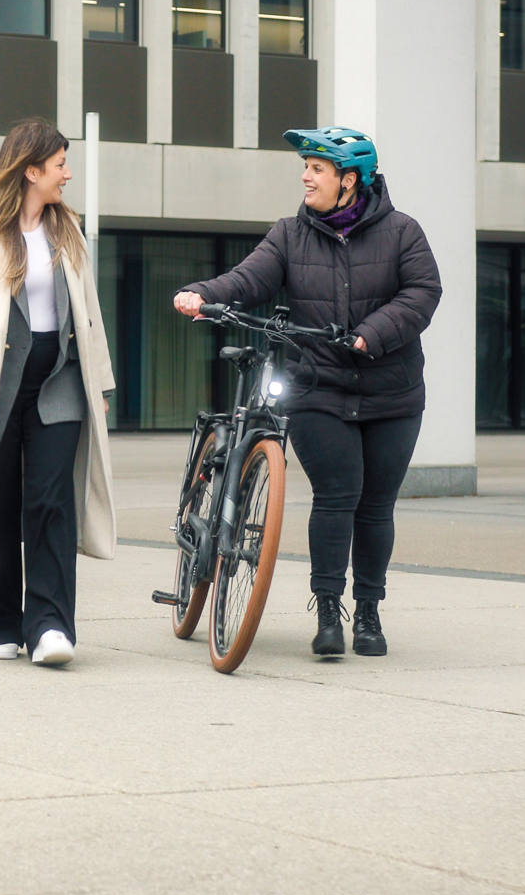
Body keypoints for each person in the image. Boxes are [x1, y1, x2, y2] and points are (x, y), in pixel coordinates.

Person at [172, 126, 441, 658]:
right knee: (338, 496)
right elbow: (249, 279)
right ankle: (328, 612)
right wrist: (202, 293)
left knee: (376, 506)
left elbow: (423, 292)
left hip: (393, 394)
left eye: (317, 168)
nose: (305, 176)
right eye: (306, 167)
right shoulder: (290, 234)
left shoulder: (403, 232)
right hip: (319, 387)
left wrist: (374, 332)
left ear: (349, 180)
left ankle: (368, 612)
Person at [0, 118, 117, 667]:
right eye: (60, 164)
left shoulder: (69, 233)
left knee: (51, 503)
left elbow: (88, 315)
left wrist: (98, 383)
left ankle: (51, 627)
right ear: (31, 170)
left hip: (58, 384)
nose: (67, 173)